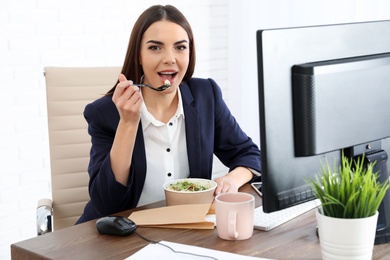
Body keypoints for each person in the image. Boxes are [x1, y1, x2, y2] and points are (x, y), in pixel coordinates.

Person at [76, 4, 261, 224]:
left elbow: (248, 154)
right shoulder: (105, 113)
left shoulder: (206, 96)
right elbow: (106, 203)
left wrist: (232, 179)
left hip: (188, 227)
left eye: (180, 47)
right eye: (155, 48)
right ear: (138, 55)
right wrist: (128, 123)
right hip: (122, 233)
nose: (170, 58)